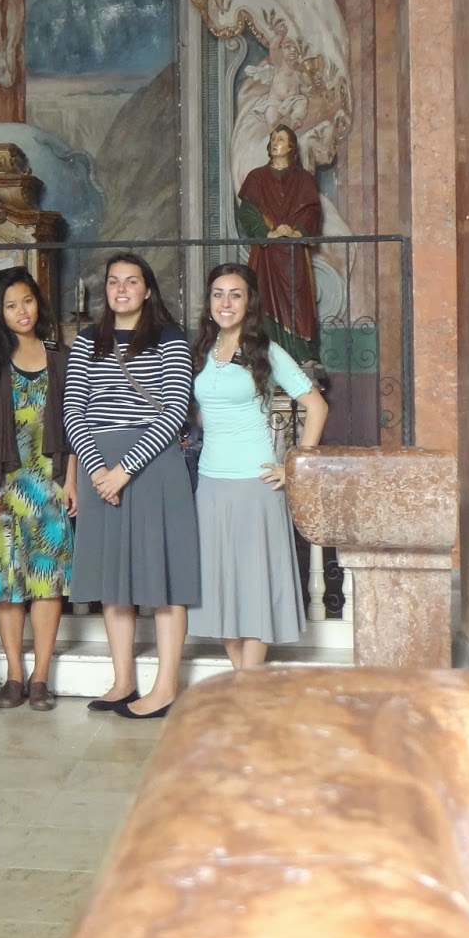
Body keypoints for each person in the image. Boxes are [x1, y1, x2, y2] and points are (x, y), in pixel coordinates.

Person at [63, 253, 198, 719]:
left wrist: (124, 470)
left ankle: (165, 687)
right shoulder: (87, 341)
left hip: (153, 465)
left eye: (131, 281)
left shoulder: (169, 338)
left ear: (147, 289)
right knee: (113, 580)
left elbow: (175, 409)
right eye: (114, 282)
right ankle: (123, 681)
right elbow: (73, 411)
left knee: (163, 577)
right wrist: (97, 468)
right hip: (99, 466)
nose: (121, 289)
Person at [186, 264, 327, 667]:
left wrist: (293, 467)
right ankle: (242, 679)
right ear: (209, 301)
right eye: (218, 294)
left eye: (235, 294)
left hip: (255, 483)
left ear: (249, 302)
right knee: (221, 589)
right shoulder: (202, 351)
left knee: (254, 586)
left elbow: (317, 407)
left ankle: (247, 685)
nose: (225, 302)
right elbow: (205, 414)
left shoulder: (266, 351)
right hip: (211, 484)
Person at [0, 267, 78, 712]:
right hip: (4, 486)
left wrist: (71, 480)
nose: (22, 311)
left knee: (48, 583)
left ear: (37, 303)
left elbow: (75, 423)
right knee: (5, 584)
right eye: (11, 305)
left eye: (27, 301)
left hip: (49, 485)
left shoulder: (60, 357)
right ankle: (13, 674)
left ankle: (40, 677)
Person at [237, 124, 324, 363]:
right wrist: (268, 233)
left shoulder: (303, 179)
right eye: (273, 138)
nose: (276, 142)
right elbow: (247, 212)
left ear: (291, 146)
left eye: (282, 139)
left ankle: (301, 355)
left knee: (298, 302)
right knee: (262, 297)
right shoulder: (256, 178)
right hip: (266, 252)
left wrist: (297, 231)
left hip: (294, 253)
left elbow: (312, 211)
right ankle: (265, 354)